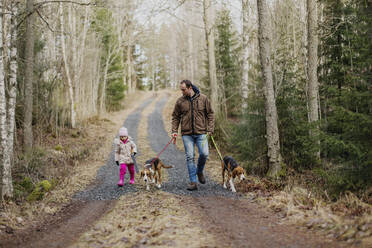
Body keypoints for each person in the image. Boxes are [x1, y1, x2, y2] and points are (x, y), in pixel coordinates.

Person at [171, 80, 215, 191]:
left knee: (204, 154)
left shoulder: (203, 99)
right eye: (181, 89)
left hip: (201, 133)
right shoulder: (180, 101)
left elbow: (210, 114)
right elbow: (175, 117)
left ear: (190, 87)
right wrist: (174, 130)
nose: (182, 92)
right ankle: (193, 182)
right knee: (190, 157)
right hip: (187, 134)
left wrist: (210, 129)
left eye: (183, 89)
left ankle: (199, 171)